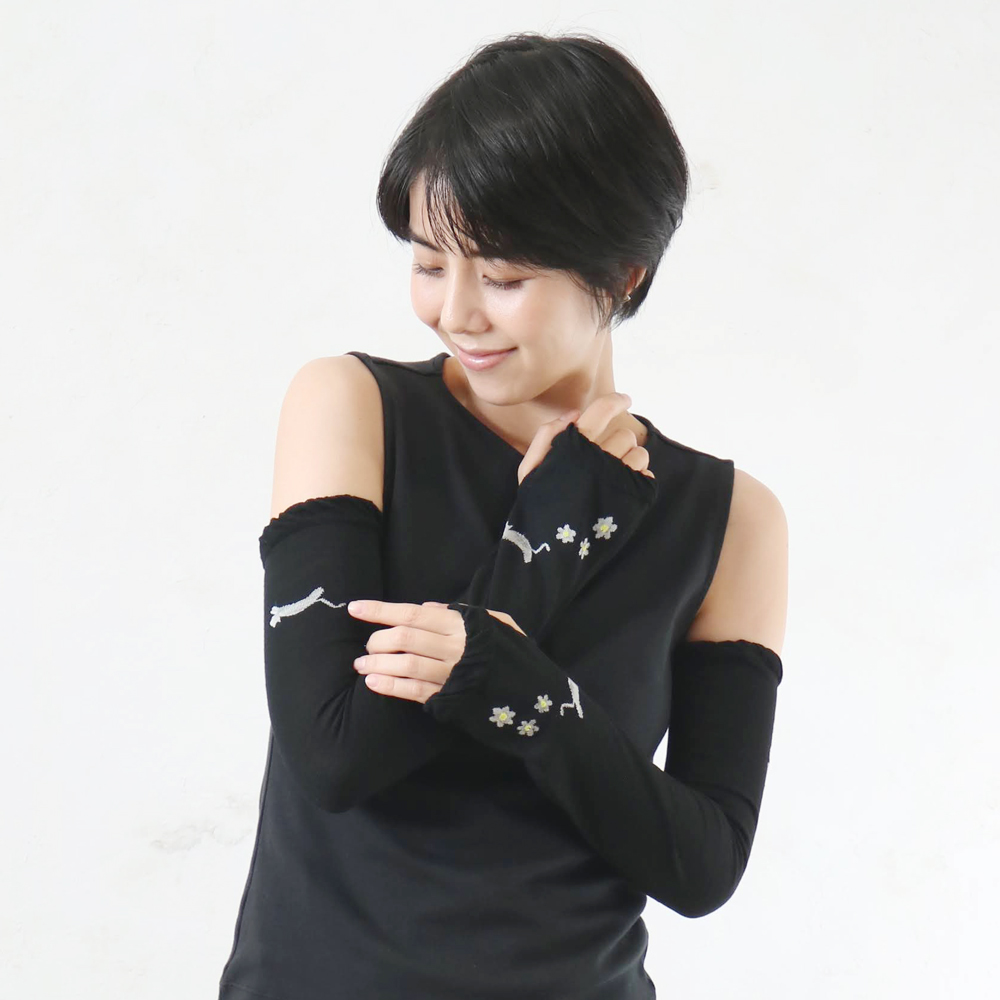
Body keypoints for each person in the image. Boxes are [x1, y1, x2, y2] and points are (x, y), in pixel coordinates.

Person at [218, 31, 787, 1000]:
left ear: (625, 272)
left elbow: (702, 864)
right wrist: (549, 541)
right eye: (428, 262)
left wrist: (521, 688)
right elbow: (336, 755)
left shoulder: (731, 518)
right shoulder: (352, 408)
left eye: (504, 276)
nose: (456, 311)